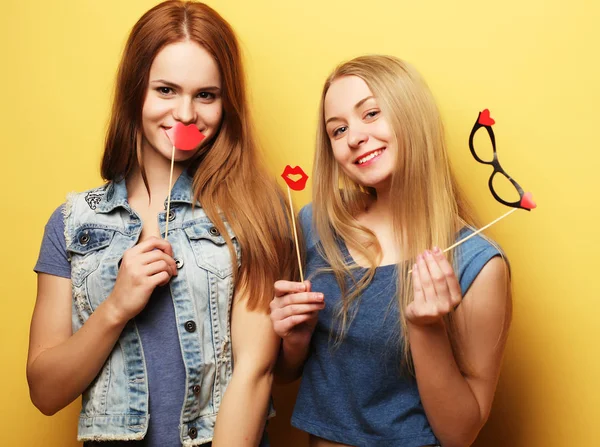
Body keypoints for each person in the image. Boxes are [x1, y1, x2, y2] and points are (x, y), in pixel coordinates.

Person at [27, 2, 297, 446]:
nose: (187, 115)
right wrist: (116, 306)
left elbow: (256, 372)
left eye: (206, 95)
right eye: (167, 90)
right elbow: (45, 391)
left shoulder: (256, 211)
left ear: (226, 103)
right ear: (136, 91)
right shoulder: (72, 223)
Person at [270, 55, 512, 447]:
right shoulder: (314, 227)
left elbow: (461, 433)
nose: (354, 137)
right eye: (338, 130)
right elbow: (286, 373)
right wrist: (293, 341)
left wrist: (425, 328)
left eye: (371, 113)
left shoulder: (477, 264)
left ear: (411, 113)